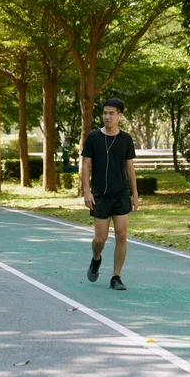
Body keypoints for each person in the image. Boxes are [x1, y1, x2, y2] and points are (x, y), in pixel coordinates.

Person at [81, 98, 139, 290]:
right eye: (105, 113)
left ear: (119, 115)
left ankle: (116, 276)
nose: (107, 116)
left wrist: (135, 194)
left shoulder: (125, 139)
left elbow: (130, 168)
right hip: (100, 195)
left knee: (122, 235)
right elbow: (86, 164)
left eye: (111, 113)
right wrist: (87, 191)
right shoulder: (93, 137)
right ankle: (96, 258)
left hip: (121, 194)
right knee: (100, 239)